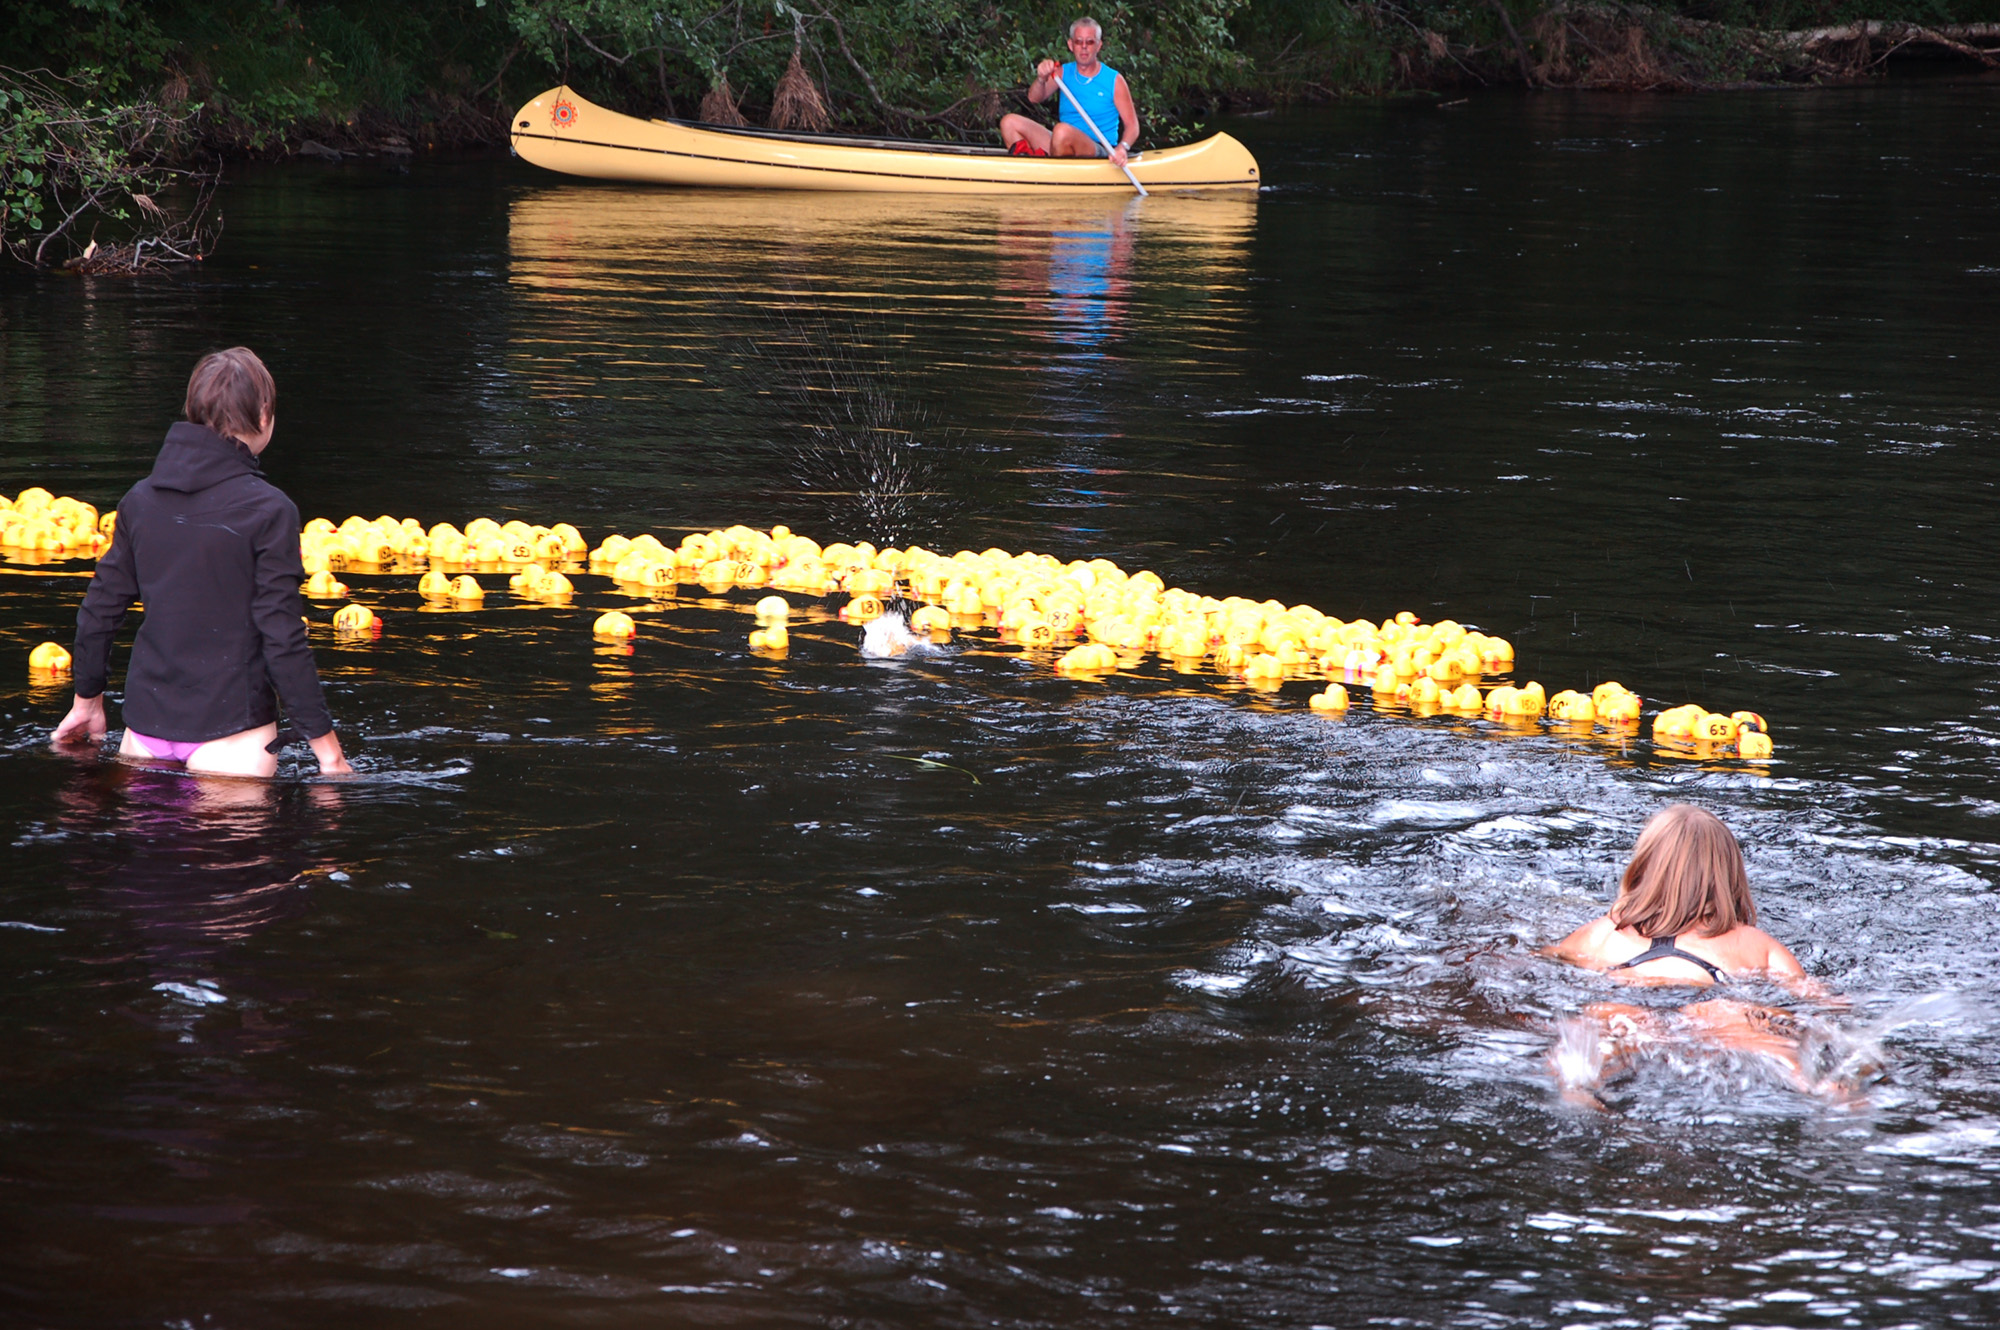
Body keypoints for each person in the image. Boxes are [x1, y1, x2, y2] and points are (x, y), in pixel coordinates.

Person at [51, 347, 352, 779]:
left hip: (143, 736)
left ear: (191, 411)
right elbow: (282, 635)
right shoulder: (270, 510)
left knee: (156, 848)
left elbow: (100, 609)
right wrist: (329, 754)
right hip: (233, 737)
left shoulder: (139, 501)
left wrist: (87, 703)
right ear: (264, 413)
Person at [1546, 804, 1849, 1105]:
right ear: (1730, 875)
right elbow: (1815, 997)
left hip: (1629, 994)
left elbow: (1541, 961)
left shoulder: (1601, 932)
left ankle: (1578, 1088)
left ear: (1643, 867)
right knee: (1754, 1031)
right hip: (1712, 1000)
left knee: (1598, 1024)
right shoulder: (1753, 942)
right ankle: (1819, 1087)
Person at [999, 17, 1140, 168]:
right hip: (1061, 142)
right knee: (1009, 122)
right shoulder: (1062, 73)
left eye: (1090, 42)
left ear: (1099, 45)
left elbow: (1133, 126)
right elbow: (1033, 98)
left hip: (1099, 149)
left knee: (1061, 131)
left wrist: (1122, 147)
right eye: (1079, 42)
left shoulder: (1114, 80)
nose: (1084, 47)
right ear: (1071, 45)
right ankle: (1029, 167)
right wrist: (1041, 78)